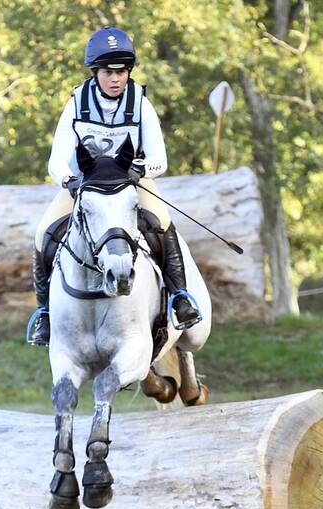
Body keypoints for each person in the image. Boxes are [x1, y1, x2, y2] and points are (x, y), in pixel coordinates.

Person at [27, 26, 202, 346]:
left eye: (122, 71)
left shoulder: (140, 104)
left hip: (131, 182)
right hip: (86, 185)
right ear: (95, 72)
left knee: (163, 223)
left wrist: (139, 169)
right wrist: (68, 180)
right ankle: (44, 313)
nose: (116, 78)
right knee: (43, 233)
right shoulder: (77, 104)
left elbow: (160, 160)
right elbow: (56, 160)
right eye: (109, 71)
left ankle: (179, 298)